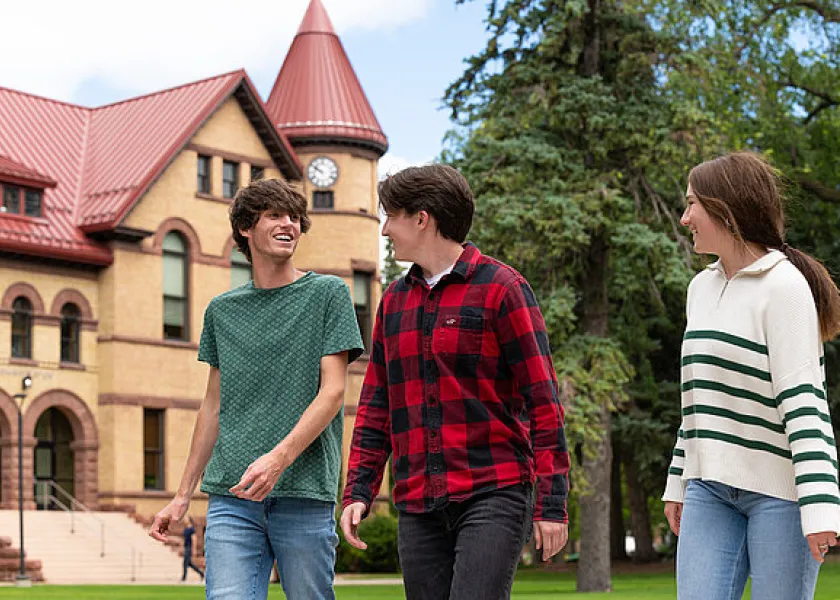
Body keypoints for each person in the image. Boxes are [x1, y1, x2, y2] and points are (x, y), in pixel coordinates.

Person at [339, 164, 570, 600]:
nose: (385, 230)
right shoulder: (393, 301)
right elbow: (377, 407)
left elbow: (543, 401)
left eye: (391, 217)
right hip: (417, 501)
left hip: (493, 490)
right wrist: (359, 491)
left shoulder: (503, 289)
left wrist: (552, 503)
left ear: (422, 219)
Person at [148, 178, 364, 600]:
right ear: (246, 228)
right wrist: (180, 496)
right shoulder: (222, 311)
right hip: (232, 496)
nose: (289, 224)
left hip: (303, 492)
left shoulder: (328, 294)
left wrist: (278, 460)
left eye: (295, 217)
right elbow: (212, 407)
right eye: (275, 215)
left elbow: (333, 392)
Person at [663, 152, 840, 599]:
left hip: (779, 495)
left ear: (725, 210)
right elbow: (697, 402)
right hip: (708, 490)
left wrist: (821, 507)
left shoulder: (785, 288)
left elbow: (805, 403)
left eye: (691, 205)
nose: (685, 218)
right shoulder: (700, 288)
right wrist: (677, 480)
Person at [181, 516, 205, 582]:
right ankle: (201, 573)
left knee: (185, 563)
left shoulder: (191, 529)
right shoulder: (186, 529)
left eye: (185, 519)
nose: (184, 520)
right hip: (186, 547)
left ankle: (183, 578)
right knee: (189, 564)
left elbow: (194, 539)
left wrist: (194, 549)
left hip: (189, 548)